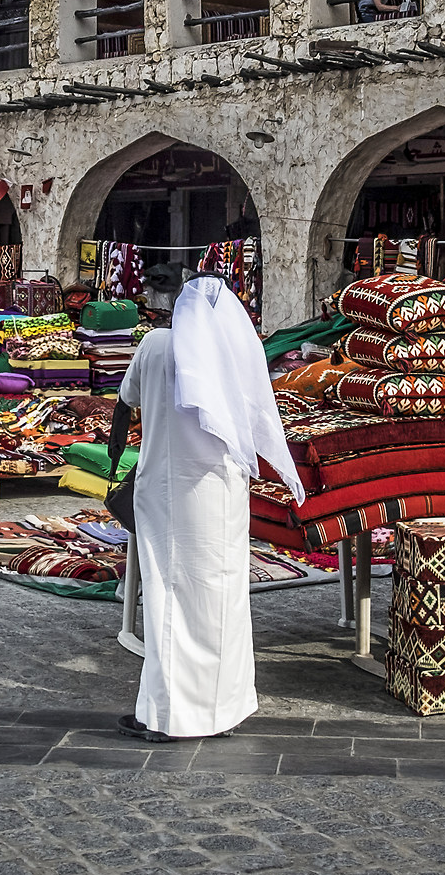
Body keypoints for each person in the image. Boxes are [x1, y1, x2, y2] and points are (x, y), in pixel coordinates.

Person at [109, 269, 302, 743]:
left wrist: (115, 456)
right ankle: (222, 711)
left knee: (168, 598)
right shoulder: (234, 353)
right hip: (221, 493)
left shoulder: (155, 345)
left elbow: (123, 402)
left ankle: (168, 715)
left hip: (164, 490)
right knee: (223, 597)